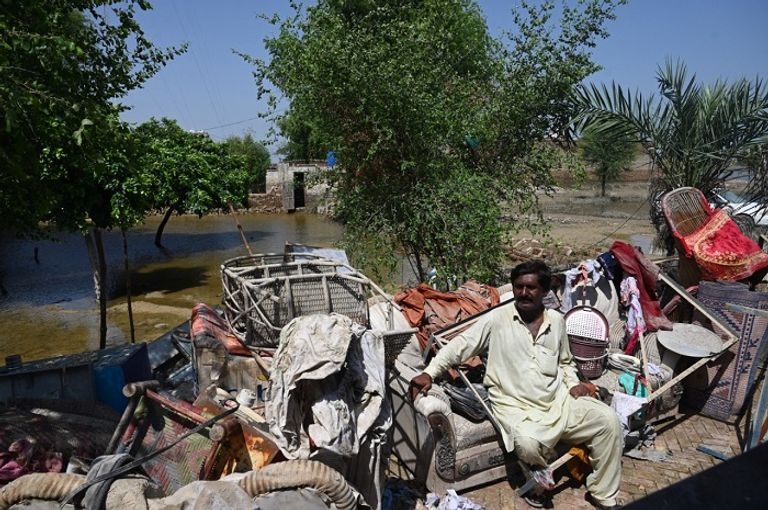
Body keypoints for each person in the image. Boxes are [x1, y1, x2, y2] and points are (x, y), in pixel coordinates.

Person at [409, 260, 623, 509]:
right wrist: (429, 373)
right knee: (529, 445)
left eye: (531, 288)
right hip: (515, 407)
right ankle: (540, 468)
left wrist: (574, 383)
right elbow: (459, 347)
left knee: (608, 420)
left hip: (558, 400)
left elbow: (565, 362)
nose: (523, 293)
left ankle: (603, 495)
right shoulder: (497, 319)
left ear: (544, 291)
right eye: (519, 287)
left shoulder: (556, 321)